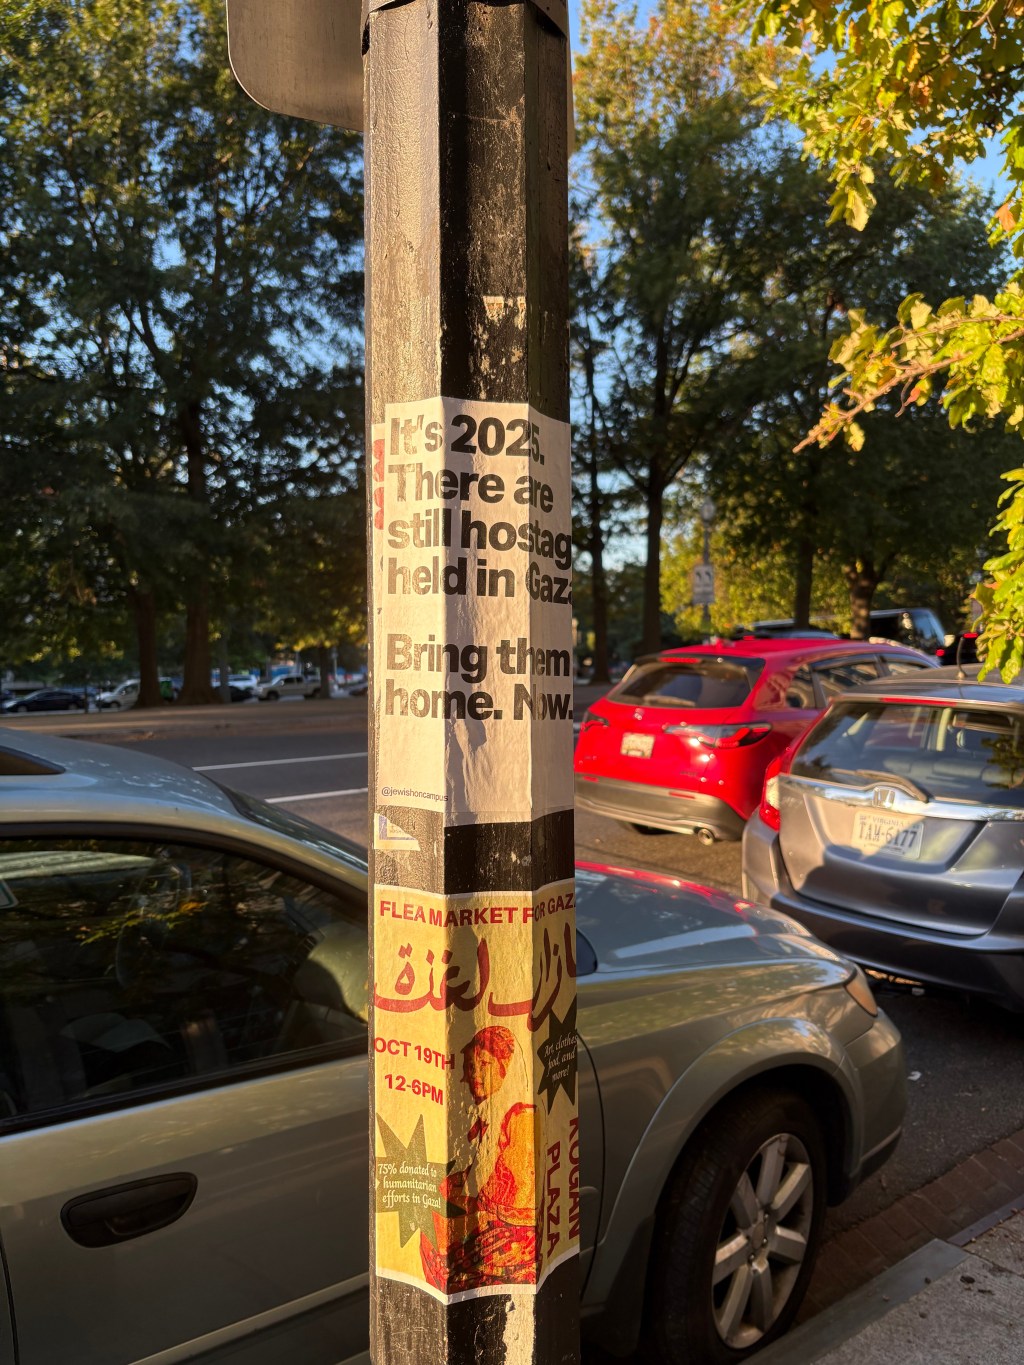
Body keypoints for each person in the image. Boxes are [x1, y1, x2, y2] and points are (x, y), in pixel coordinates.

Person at [420, 1025, 537, 1292]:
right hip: (490, 1219)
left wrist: (477, 1213)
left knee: (448, 1258)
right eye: (471, 1067)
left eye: (485, 1064)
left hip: (514, 1234)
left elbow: (522, 1203)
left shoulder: (519, 1117)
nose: (476, 1075)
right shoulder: (488, 1114)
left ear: (506, 1068)